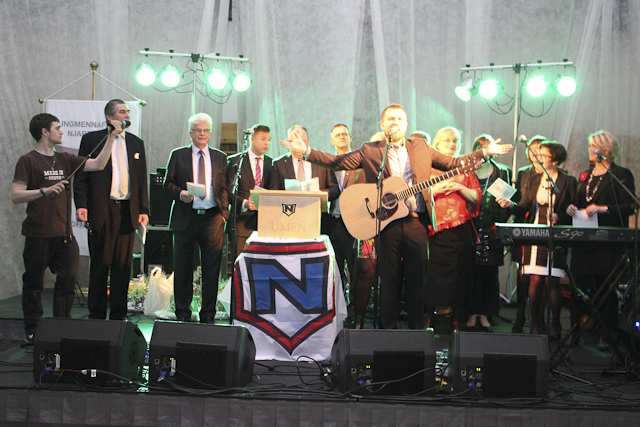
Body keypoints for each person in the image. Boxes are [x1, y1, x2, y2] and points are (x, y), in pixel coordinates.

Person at [281, 104, 512, 329]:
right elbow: (337, 162)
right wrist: (307, 151)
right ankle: (388, 329)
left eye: (400, 119)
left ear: (406, 124)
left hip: (416, 221)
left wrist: (484, 153)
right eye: (391, 119)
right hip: (385, 222)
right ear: (382, 124)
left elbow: (454, 163)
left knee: (417, 278)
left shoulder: (421, 146)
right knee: (389, 279)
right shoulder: (371, 150)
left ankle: (416, 329)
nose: (395, 123)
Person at [12, 113, 117, 343]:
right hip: (38, 233)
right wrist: (43, 191)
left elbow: (98, 164)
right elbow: (16, 195)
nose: (61, 132)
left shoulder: (65, 159)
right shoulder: (28, 160)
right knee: (34, 283)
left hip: (64, 235)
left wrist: (111, 137)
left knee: (68, 281)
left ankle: (61, 325)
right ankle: (33, 329)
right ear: (44, 132)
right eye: (57, 128)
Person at [74, 99, 149, 321]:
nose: (127, 115)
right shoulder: (92, 140)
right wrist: (81, 204)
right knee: (100, 263)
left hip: (127, 209)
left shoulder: (135, 142)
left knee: (123, 265)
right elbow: (81, 176)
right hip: (102, 208)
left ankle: (118, 314)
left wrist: (143, 208)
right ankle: (96, 314)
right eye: (122, 112)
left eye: (127, 111)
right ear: (110, 117)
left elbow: (141, 179)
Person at [498, 141, 576, 340]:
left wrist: (560, 216)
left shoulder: (568, 181)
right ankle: (536, 323)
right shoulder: (534, 180)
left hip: (556, 235)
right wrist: (510, 205)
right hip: (534, 233)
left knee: (552, 281)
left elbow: (572, 209)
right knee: (534, 279)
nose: (538, 158)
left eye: (543, 155)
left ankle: (555, 323)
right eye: (538, 154)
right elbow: (525, 205)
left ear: (555, 160)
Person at [566, 131, 636, 350]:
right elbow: (579, 203)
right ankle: (574, 333)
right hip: (583, 241)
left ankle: (606, 334)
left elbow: (630, 205)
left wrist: (603, 208)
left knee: (605, 288)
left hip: (607, 243)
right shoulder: (585, 176)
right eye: (589, 146)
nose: (590, 150)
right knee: (578, 286)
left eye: (593, 147)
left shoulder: (620, 174)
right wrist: (571, 208)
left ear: (605, 150)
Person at [164, 113, 229, 323]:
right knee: (183, 268)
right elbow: (167, 184)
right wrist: (181, 194)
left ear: (210, 132)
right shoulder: (178, 155)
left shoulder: (220, 157)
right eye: (198, 130)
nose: (202, 134)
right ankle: (183, 313)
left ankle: (208, 314)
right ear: (190, 133)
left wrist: (224, 213)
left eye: (205, 130)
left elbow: (225, 187)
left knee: (211, 269)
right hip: (186, 217)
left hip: (212, 218)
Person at [424, 127, 481, 332]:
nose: (451, 144)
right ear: (437, 144)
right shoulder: (428, 168)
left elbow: (477, 198)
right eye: (447, 141)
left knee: (459, 275)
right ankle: (430, 318)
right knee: (433, 275)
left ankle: (456, 319)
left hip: (460, 231)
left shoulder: (465, 168)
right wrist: (435, 189)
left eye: (455, 141)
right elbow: (415, 195)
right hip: (435, 230)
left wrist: (460, 188)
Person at [466, 134, 511, 332]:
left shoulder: (502, 171)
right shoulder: (467, 170)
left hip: (492, 228)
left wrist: (505, 208)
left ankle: (485, 314)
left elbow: (507, 203)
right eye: (481, 147)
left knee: (489, 274)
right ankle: (470, 314)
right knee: (470, 273)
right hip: (470, 226)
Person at [270, 125, 340, 235]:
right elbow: (273, 193)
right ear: (288, 142)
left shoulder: (321, 161)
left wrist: (322, 194)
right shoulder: (278, 164)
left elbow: (335, 189)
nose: (298, 145)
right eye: (294, 141)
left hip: (318, 220)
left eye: (302, 141)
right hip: (288, 221)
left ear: (307, 141)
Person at [512, 135, 546, 333]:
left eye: (538, 149)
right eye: (531, 149)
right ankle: (520, 314)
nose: (534, 153)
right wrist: (510, 204)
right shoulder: (523, 173)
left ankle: (538, 319)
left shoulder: (551, 174)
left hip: (542, 227)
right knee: (522, 273)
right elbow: (520, 200)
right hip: (523, 225)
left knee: (539, 277)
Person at [327, 124, 364, 294]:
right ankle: (339, 302)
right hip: (333, 221)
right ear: (332, 140)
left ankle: (357, 304)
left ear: (350, 138)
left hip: (354, 222)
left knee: (356, 266)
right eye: (338, 135)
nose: (342, 137)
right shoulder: (327, 164)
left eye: (345, 134)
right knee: (335, 266)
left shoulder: (360, 163)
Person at [226, 124, 272, 260]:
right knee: (240, 264)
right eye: (263, 139)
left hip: (265, 224)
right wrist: (244, 203)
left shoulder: (271, 163)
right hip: (241, 223)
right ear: (252, 139)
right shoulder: (235, 161)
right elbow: (227, 191)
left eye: (269, 139)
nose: (266, 143)